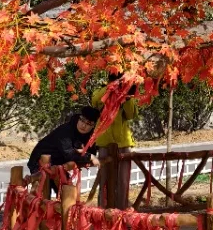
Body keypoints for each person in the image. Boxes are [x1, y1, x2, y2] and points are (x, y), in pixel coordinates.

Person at [91, 76, 139, 207]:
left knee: (123, 181)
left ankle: (122, 212)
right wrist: (110, 88)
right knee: (104, 179)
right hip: (104, 141)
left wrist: (128, 97)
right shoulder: (102, 88)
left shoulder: (127, 91)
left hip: (123, 142)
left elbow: (131, 115)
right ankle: (103, 211)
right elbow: (94, 100)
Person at [27, 107, 100, 177]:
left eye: (89, 123)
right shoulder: (65, 131)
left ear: (93, 126)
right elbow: (69, 154)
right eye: (82, 120)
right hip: (39, 162)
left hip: (58, 164)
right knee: (42, 187)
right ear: (79, 118)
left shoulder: (90, 135)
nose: (83, 125)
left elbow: (91, 151)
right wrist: (89, 156)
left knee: (66, 187)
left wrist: (85, 153)